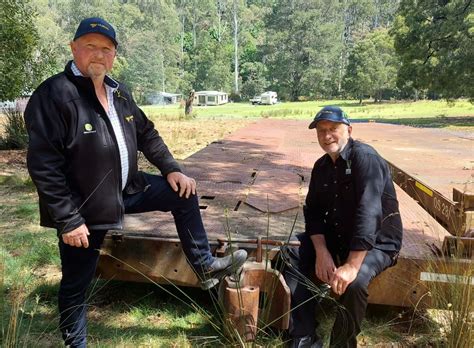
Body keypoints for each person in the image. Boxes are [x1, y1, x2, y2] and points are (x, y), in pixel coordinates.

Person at [24, 17, 246, 347]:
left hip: (127, 188)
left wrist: (172, 168)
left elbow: (147, 134)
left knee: (181, 194)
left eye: (106, 49)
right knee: (77, 282)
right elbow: (44, 165)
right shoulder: (54, 94)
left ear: (114, 55)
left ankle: (205, 268)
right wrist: (68, 220)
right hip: (84, 207)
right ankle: (76, 342)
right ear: (73, 49)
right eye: (90, 47)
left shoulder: (119, 92)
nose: (98, 55)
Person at [283, 106, 403, 347]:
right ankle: (304, 335)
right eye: (321, 131)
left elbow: (369, 212)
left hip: (376, 243)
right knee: (290, 252)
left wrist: (351, 265)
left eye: (333, 129)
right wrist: (322, 251)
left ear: (348, 129)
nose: (327, 136)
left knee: (355, 282)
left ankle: (341, 343)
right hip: (338, 236)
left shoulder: (366, 159)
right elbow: (314, 212)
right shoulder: (322, 166)